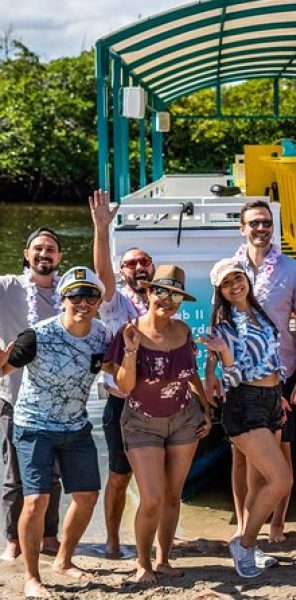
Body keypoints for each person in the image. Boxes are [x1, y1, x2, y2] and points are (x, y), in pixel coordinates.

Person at [204, 200, 296, 550]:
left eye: (267, 222)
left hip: (278, 384)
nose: (261, 228)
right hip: (244, 393)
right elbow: (219, 346)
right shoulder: (230, 278)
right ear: (243, 228)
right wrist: (212, 370)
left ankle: (272, 528)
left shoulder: (292, 272)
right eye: (254, 223)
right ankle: (244, 533)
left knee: (277, 462)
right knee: (250, 463)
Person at [1, 267, 111, 599]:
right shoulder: (36, 335)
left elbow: (117, 370)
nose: (83, 302)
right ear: (63, 300)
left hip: (76, 426)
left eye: (90, 296)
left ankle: (63, 561)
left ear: (98, 301)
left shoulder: (103, 336)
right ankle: (32, 578)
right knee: (35, 501)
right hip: (34, 426)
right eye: (75, 296)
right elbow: (5, 369)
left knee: (88, 496)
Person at [104, 265, 214, 584]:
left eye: (175, 295)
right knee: (151, 497)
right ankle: (142, 563)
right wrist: (131, 350)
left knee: (172, 494)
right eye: (161, 292)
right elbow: (124, 387)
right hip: (142, 422)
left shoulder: (183, 331)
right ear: (149, 293)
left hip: (184, 419)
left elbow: (190, 372)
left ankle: (163, 559)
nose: (167, 300)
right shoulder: (130, 331)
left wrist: (205, 408)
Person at [200, 259, 293, 578]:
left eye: (238, 277)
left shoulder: (261, 316)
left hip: (270, 401)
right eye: (227, 283)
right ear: (220, 292)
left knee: (258, 483)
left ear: (247, 279)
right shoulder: (223, 329)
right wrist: (224, 357)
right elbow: (230, 381)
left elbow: (271, 358)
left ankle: (250, 547)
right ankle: (244, 543)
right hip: (244, 405)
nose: (235, 285)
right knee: (281, 479)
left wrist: (278, 391)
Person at [90, 189, 158, 558]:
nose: (139, 267)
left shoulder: (164, 302)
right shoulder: (113, 304)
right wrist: (102, 228)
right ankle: (113, 541)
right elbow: (101, 275)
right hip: (120, 404)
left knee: (159, 477)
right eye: (131, 263)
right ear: (122, 272)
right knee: (119, 476)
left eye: (144, 261)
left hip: (159, 405)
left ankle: (161, 538)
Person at [0, 227, 64, 563]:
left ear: (59, 258)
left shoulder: (69, 292)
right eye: (38, 248)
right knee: (14, 475)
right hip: (14, 395)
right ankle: (13, 539)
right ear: (27, 255)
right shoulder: (8, 287)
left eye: (51, 249)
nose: (44, 254)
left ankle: (49, 536)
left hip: (57, 401)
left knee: (52, 474)